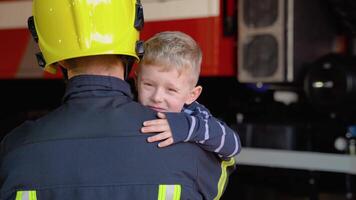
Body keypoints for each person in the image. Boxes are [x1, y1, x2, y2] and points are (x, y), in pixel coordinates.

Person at [0, 1, 235, 200]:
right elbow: (227, 159)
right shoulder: (187, 145)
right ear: (133, 45)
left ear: (55, 57)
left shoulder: (15, 150)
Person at [136, 31, 241, 158]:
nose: (156, 97)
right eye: (148, 85)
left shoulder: (195, 114)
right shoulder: (129, 106)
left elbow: (233, 146)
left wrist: (184, 127)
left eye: (171, 90)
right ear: (136, 82)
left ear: (192, 95)